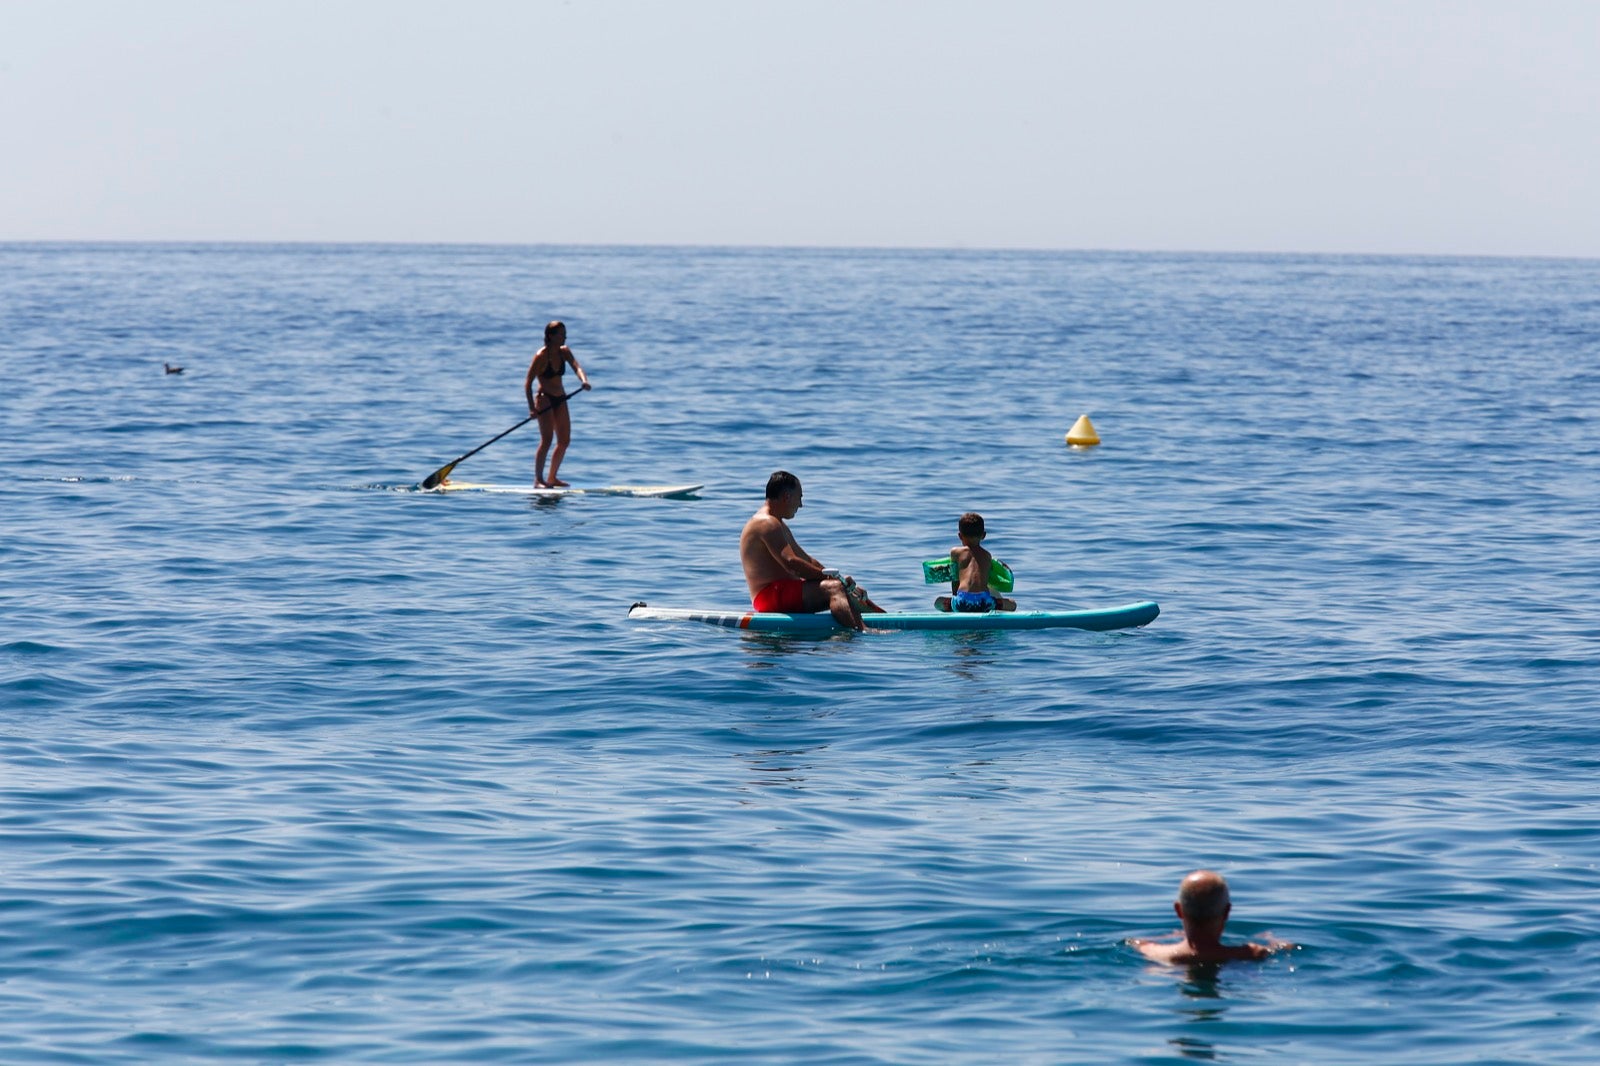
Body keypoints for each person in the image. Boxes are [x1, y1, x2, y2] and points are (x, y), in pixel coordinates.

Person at [740, 471, 885, 631]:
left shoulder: (777, 524)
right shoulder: (767, 523)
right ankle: (862, 630)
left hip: (781, 593)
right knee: (834, 589)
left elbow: (807, 560)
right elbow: (792, 564)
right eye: (799, 498)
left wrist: (840, 579)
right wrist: (834, 581)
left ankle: (883, 617)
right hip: (769, 597)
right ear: (787, 497)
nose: (800, 505)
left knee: (841, 587)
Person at [1129, 870, 1295, 964]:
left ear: (1179, 910)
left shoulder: (1151, 951)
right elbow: (1286, 948)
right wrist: (1272, 939)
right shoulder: (1252, 953)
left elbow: (1135, 942)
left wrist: (1168, 937)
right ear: (1227, 911)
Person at [523, 320, 591, 487]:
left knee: (564, 441)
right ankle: (538, 479)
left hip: (560, 399)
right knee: (547, 440)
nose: (564, 337)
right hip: (544, 399)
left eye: (565, 333)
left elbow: (577, 367)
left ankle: (552, 477)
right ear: (550, 336)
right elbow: (528, 383)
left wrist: (584, 381)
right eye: (560, 334)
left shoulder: (564, 352)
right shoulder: (541, 356)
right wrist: (532, 409)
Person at [934, 512, 1017, 613]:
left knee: (938, 602)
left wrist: (955, 598)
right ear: (984, 535)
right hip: (984, 602)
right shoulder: (987, 556)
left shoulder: (955, 552)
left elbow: (955, 578)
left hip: (962, 602)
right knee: (1012, 604)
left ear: (960, 536)